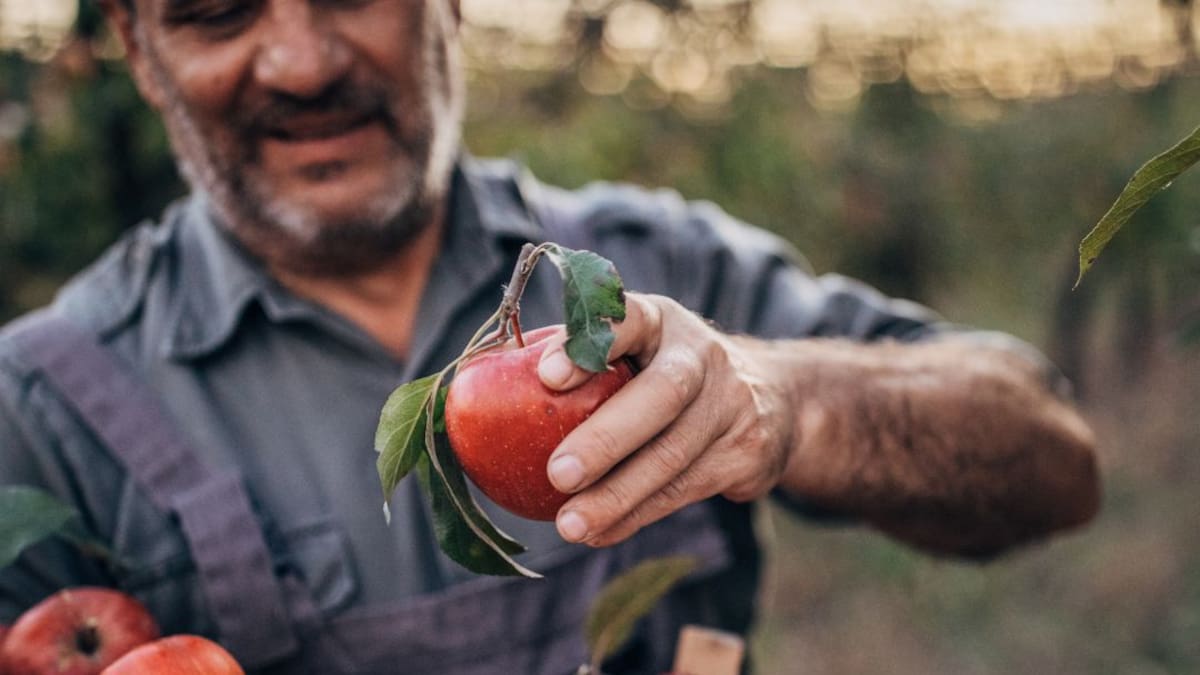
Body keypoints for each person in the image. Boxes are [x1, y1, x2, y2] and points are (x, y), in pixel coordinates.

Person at [0, 1, 1099, 673]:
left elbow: (1054, 460)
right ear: (139, 53)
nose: (299, 60)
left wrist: (790, 394)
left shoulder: (646, 272)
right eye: (215, 9)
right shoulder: (42, 408)